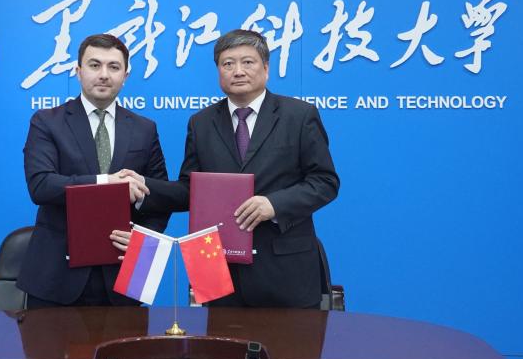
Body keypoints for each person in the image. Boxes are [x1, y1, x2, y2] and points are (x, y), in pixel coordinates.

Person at [178, 29, 340, 308]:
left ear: (266, 68)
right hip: (219, 269)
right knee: (218, 337)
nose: (238, 71)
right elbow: (189, 189)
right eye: (228, 64)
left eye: (248, 62)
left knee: (293, 339)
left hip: (286, 271)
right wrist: (143, 188)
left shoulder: (299, 115)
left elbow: (325, 181)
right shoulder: (201, 122)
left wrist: (274, 205)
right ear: (218, 71)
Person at [17, 33, 174, 307]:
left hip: (124, 274)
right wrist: (106, 182)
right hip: (57, 277)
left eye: (114, 67)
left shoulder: (144, 129)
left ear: (125, 76)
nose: (104, 75)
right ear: (78, 71)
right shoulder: (47, 122)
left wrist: (143, 240)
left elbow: (159, 197)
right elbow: (41, 186)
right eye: (94, 65)